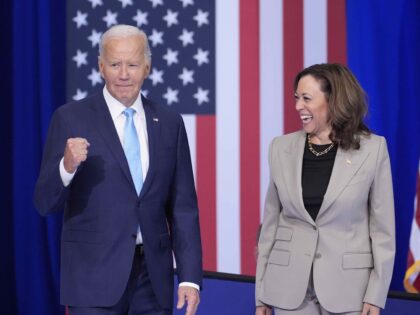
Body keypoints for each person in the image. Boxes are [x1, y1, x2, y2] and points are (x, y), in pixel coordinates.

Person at [34, 24, 202, 315]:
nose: (123, 74)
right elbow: (44, 202)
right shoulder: (70, 117)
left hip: (153, 280)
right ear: (101, 66)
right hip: (92, 277)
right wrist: (67, 166)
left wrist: (189, 277)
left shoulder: (170, 122)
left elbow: (183, 207)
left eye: (133, 64)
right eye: (114, 64)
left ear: (147, 67)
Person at [255, 63, 395, 315]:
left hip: (349, 291)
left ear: (333, 100)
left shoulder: (373, 149)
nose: (298, 106)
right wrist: (261, 294)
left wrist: (376, 295)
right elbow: (270, 226)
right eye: (296, 98)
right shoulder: (280, 147)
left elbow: (383, 231)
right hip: (289, 291)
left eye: (306, 98)